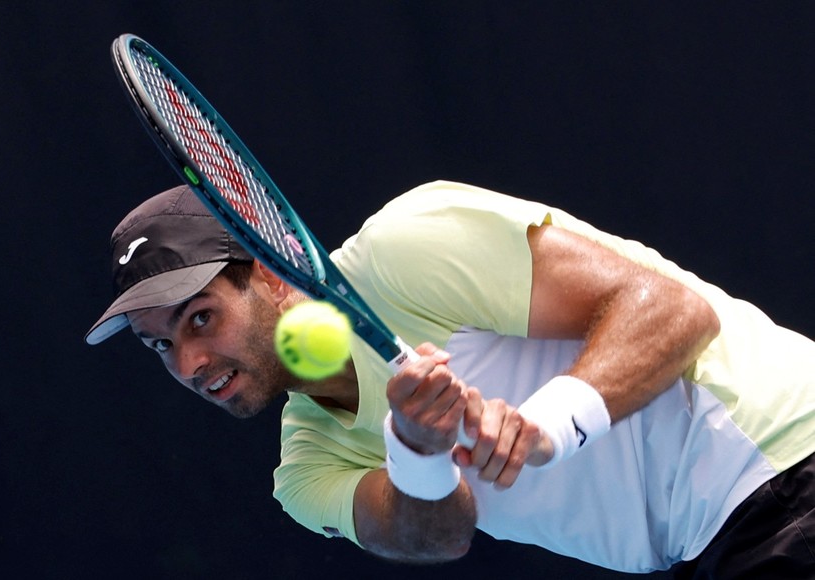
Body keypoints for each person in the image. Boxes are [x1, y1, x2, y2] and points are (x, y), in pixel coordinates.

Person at [86, 181, 815, 578]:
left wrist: (549, 423)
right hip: (714, 547)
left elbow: (671, 311)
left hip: (785, 458)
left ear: (270, 275)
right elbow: (434, 535)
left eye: (200, 319)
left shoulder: (406, 250)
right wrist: (416, 449)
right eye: (161, 346)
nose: (187, 364)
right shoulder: (307, 469)